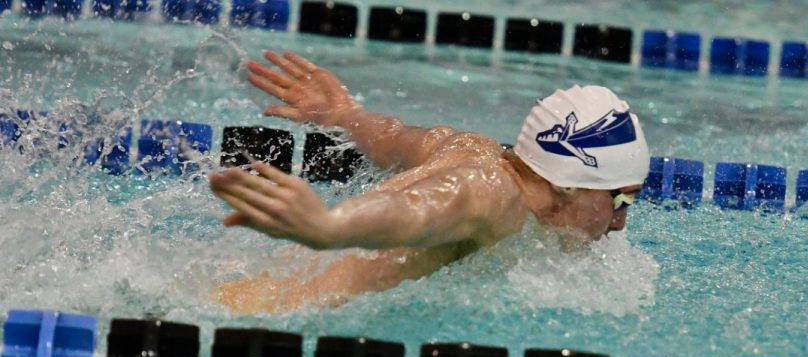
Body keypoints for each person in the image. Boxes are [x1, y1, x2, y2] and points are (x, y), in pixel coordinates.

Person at [210, 50, 650, 313]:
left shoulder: (470, 148)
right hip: (259, 316)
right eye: (621, 198)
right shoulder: (493, 198)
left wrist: (345, 115)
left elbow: (393, 139)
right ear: (569, 183)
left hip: (235, 291)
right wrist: (330, 227)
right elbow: (416, 210)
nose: (619, 223)